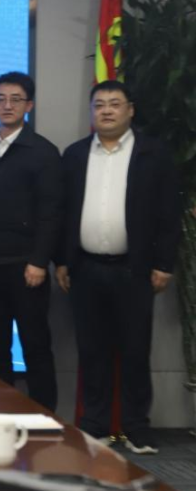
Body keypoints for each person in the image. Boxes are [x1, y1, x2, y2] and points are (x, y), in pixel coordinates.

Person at [56, 80, 180, 454]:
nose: (106, 110)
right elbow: (63, 212)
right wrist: (62, 260)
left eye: (114, 103)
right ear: (92, 112)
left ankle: (136, 427)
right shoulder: (75, 154)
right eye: (99, 105)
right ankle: (94, 425)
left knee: (135, 349)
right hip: (86, 268)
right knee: (92, 350)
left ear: (130, 110)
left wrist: (163, 263)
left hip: (135, 269)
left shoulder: (153, 153)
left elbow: (168, 213)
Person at [0, 72, 62, 411]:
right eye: (0, 98)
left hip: (26, 267)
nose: (7, 105)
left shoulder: (43, 152)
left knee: (35, 345)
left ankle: (46, 416)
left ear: (29, 105)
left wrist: (39, 261)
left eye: (15, 99)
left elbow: (51, 213)